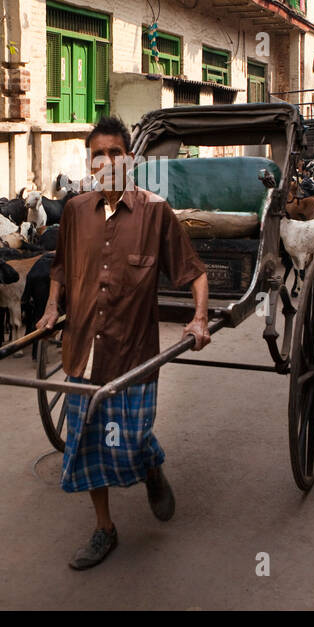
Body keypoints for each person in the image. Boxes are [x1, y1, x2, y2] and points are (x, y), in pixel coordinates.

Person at [38, 115, 211, 570]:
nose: (108, 162)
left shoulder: (155, 211)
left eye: (117, 153)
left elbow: (193, 271)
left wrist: (198, 319)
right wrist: (53, 308)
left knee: (130, 439)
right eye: (100, 155)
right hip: (83, 351)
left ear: (130, 159)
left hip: (133, 354)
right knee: (88, 443)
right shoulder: (74, 211)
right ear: (90, 162)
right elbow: (60, 268)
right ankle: (104, 528)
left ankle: (150, 461)